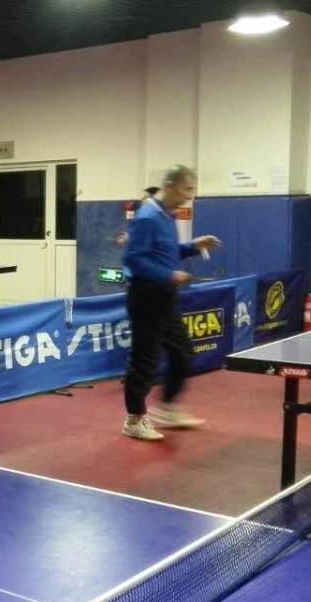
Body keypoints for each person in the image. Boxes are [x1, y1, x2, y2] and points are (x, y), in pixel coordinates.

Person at [121, 165, 222, 441]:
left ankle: (167, 408)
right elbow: (133, 258)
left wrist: (194, 246)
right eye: (187, 189)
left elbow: (166, 252)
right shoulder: (148, 216)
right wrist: (168, 275)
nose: (190, 196)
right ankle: (134, 419)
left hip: (165, 296)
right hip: (146, 296)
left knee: (182, 352)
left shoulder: (167, 216)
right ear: (170, 185)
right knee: (145, 360)